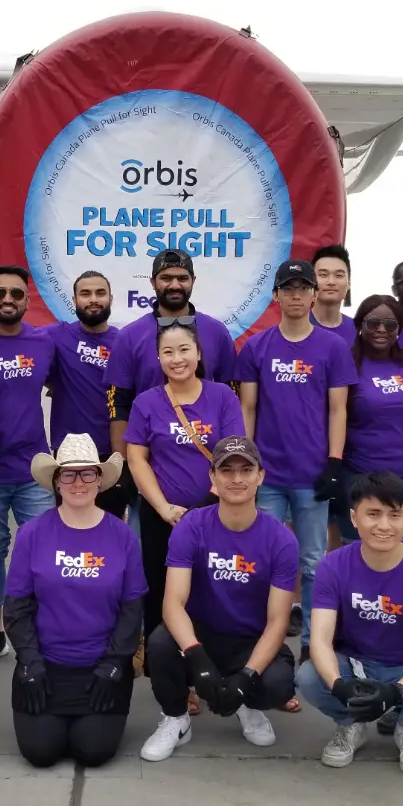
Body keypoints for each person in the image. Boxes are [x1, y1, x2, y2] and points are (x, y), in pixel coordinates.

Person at [140, 436, 299, 761]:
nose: (237, 479)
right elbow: (173, 603)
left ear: (260, 476)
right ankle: (176, 718)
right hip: (202, 632)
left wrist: (246, 676)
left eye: (246, 469)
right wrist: (197, 659)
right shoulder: (191, 526)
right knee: (159, 644)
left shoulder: (281, 539)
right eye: (227, 470)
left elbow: (278, 621)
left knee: (278, 683)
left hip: (248, 638)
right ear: (212, 478)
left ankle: (248, 706)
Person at [296, 472, 403, 774]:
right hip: (354, 665)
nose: (384, 525)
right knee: (308, 678)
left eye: (394, 515)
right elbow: (319, 639)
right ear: (354, 518)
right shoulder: (333, 565)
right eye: (373, 514)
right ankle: (351, 724)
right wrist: (338, 685)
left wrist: (396, 692)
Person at [5, 435, 147, 768]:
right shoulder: (32, 534)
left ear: (100, 481)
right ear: (56, 482)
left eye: (87, 474)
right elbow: (16, 608)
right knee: (41, 753)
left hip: (102, 668)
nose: (78, 482)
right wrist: (29, 661)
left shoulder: (123, 535)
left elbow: (132, 608)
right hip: (46, 666)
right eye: (68, 474)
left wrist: (115, 664)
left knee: (93, 752)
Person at [238, 259, 357, 655]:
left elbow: (339, 409)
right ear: (276, 296)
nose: (295, 294)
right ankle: (263, 643)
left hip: (312, 475)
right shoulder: (257, 346)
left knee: (312, 562)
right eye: (287, 288)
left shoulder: (333, 347)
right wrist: (247, 460)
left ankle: (313, 644)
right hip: (268, 475)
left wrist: (335, 461)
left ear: (313, 294)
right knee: (266, 561)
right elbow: (248, 408)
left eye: (302, 288)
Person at [123, 320, 245, 639]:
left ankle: (213, 660)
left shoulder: (222, 397)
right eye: (168, 352)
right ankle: (165, 666)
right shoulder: (146, 402)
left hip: (216, 512)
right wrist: (164, 509)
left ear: (199, 353)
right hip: (161, 517)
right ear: (158, 359)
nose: (177, 359)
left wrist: (205, 506)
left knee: (214, 586)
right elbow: (136, 459)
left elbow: (233, 454)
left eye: (184, 350)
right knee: (161, 585)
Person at [0, 266, 55, 670]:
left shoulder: (43, 342)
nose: (7, 299)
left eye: (16, 294)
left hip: (34, 468)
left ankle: (42, 629)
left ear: (26, 301)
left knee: (42, 551)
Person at [106, 248, 237, 466]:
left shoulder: (216, 332)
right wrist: (123, 467)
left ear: (193, 281)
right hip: (148, 461)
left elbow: (232, 399)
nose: (174, 285)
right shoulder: (129, 336)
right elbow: (117, 404)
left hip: (208, 460)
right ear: (152, 282)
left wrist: (229, 465)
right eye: (166, 278)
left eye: (182, 278)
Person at [339, 294, 403, 549]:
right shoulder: (346, 364)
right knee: (358, 556)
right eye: (373, 323)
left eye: (390, 325)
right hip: (359, 475)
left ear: (399, 328)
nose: (382, 329)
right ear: (360, 325)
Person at [46, 271, 127, 517]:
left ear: (111, 299)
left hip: (111, 455)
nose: (93, 299)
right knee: (69, 526)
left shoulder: (124, 342)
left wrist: (123, 459)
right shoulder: (56, 336)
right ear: (74, 300)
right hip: (68, 454)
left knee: (110, 526)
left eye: (100, 293)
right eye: (85, 294)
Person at [311, 243, 355, 345]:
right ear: (311, 281)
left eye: (339, 275)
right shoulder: (295, 326)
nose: (331, 282)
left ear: (349, 284)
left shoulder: (358, 330)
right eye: (323, 275)